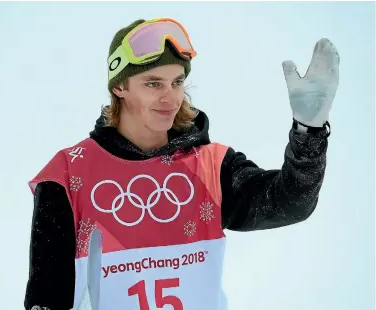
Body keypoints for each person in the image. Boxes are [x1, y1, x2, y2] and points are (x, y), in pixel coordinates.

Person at [24, 17, 339, 310]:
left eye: (176, 82)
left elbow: (291, 203)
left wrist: (308, 131)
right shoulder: (69, 174)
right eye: (153, 83)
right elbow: (46, 298)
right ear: (119, 87)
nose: (170, 98)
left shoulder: (209, 166)